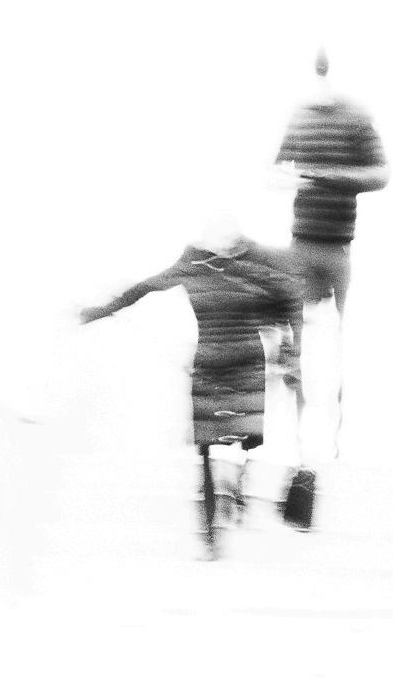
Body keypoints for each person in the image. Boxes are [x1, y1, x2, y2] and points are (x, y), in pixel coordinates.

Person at [78, 212, 304, 560]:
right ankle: (222, 511)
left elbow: (144, 288)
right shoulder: (241, 268)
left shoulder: (204, 266)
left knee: (214, 449)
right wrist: (289, 351)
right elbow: (290, 298)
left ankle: (220, 517)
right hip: (231, 362)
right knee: (224, 444)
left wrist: (101, 310)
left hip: (222, 362)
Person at [273, 47, 390, 454]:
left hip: (339, 246)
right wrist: (284, 179)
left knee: (338, 344)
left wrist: (328, 177)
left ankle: (337, 437)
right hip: (301, 243)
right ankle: (297, 436)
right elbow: (277, 166)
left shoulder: (356, 116)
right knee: (297, 343)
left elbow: (382, 175)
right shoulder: (300, 115)